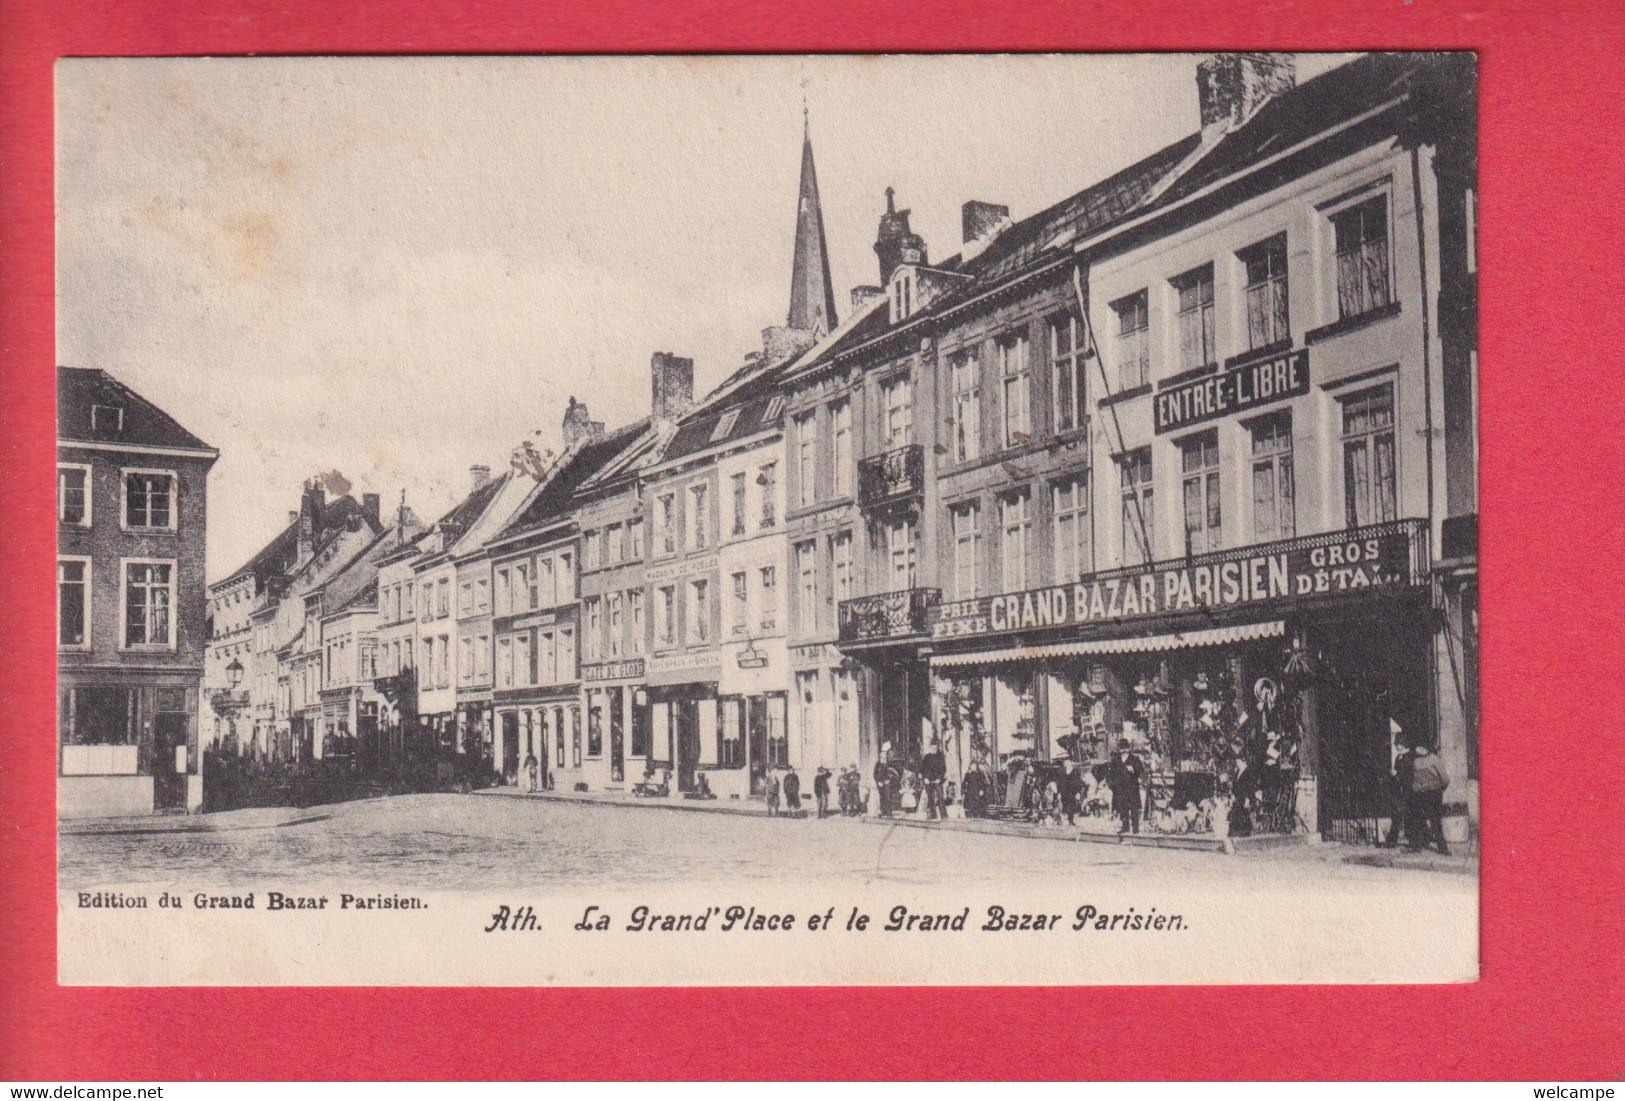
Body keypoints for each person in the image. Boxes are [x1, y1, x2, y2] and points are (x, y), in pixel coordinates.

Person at [1406, 743, 1451, 854]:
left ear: (1425, 748)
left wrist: (1438, 790)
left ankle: (1442, 848)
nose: (1417, 749)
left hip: (1432, 794)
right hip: (1419, 795)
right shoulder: (1415, 761)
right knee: (1419, 821)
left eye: (1419, 747)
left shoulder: (1434, 759)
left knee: (1435, 821)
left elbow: (1445, 779)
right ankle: (1418, 845)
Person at [1104, 738, 1146, 835]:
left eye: (1125, 747)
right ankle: (1125, 826)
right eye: (1122, 748)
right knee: (1122, 808)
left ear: (1128, 748)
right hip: (1120, 788)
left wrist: (1133, 770)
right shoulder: (1116, 760)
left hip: (1132, 787)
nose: (1124, 750)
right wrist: (1111, 784)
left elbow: (1140, 770)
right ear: (1119, 749)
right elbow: (1110, 773)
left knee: (1134, 808)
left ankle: (1135, 828)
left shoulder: (1135, 759)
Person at [1381, 741, 1416, 848]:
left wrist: (1397, 775)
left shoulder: (1407, 759)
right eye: (1397, 747)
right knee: (1397, 817)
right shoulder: (1398, 759)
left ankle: (1411, 842)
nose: (1398, 749)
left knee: (1405, 817)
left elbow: (1408, 776)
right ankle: (1393, 841)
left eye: (1400, 747)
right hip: (1399, 792)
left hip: (1406, 792)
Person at [920, 739, 947, 821]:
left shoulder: (940, 756)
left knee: (940, 797)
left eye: (935, 748)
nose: (934, 749)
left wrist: (940, 778)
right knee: (930, 797)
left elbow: (943, 769)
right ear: (930, 747)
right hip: (928, 780)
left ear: (937, 748)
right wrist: (925, 778)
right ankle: (932, 814)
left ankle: (944, 815)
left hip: (937, 780)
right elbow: (922, 769)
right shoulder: (926, 757)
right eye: (932, 748)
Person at [1059, 758, 1083, 826]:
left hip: (1073, 792)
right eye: (1064, 763)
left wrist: (1078, 792)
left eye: (1066, 762)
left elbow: (1079, 782)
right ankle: (1068, 820)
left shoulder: (1076, 771)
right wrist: (1059, 793)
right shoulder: (1062, 771)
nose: (1065, 764)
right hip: (1065, 792)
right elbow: (1060, 783)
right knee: (1065, 806)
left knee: (1073, 806)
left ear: (1070, 763)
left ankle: (1071, 821)